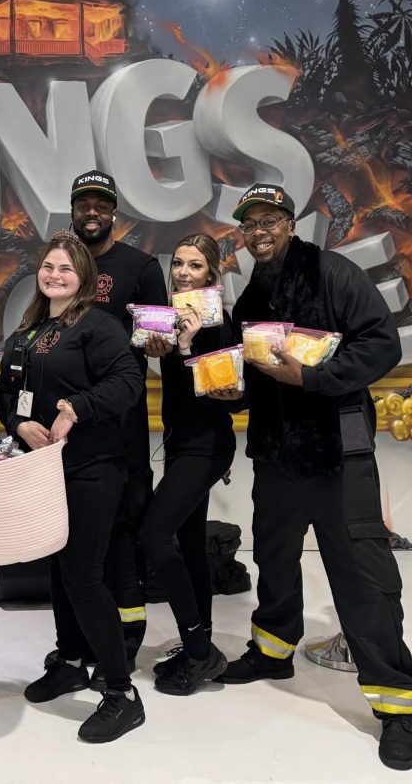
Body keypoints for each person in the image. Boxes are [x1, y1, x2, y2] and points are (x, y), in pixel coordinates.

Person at [222, 184, 412, 771]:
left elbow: (382, 345)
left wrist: (311, 379)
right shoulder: (253, 291)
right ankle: (273, 650)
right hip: (277, 453)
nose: (258, 231)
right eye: (249, 224)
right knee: (276, 559)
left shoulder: (334, 273)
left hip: (339, 453)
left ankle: (397, 707)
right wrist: (232, 388)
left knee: (362, 576)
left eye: (268, 221)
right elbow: (252, 367)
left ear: (290, 223)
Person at [0, 232, 145, 744]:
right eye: (48, 267)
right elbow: (8, 394)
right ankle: (71, 661)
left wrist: (75, 408)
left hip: (92, 469)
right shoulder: (29, 330)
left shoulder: (97, 326)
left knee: (83, 576)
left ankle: (122, 694)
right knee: (60, 573)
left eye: (66, 268)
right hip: (45, 471)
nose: (55, 275)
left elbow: (129, 382)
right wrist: (19, 425)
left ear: (82, 277)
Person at [68, 169, 168, 677]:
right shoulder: (60, 265)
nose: (92, 212)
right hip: (65, 431)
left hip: (121, 426)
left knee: (123, 530)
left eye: (100, 204)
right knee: (73, 537)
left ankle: (126, 637)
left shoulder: (140, 266)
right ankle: (82, 639)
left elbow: (159, 334)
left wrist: (156, 342)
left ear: (114, 213)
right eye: (83, 203)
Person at [139, 234, 242, 696]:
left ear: (212, 275)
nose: (183, 272)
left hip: (207, 444)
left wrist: (186, 349)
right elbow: (180, 392)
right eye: (178, 263)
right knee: (190, 544)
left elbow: (215, 397)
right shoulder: (172, 317)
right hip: (182, 443)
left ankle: (201, 652)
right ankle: (195, 644)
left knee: (153, 534)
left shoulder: (217, 322)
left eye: (195, 266)